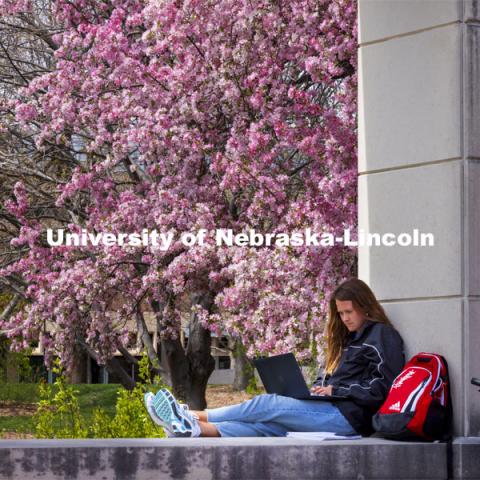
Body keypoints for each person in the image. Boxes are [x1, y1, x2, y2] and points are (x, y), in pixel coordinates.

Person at [144, 278, 405, 437]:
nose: (345, 318)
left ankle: (192, 415)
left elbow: (386, 388)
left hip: (349, 417)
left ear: (365, 306)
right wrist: (316, 387)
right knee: (268, 426)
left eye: (349, 312)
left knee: (268, 405)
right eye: (340, 313)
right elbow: (331, 379)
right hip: (330, 409)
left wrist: (336, 389)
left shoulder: (382, 336)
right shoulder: (348, 340)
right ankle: (194, 430)